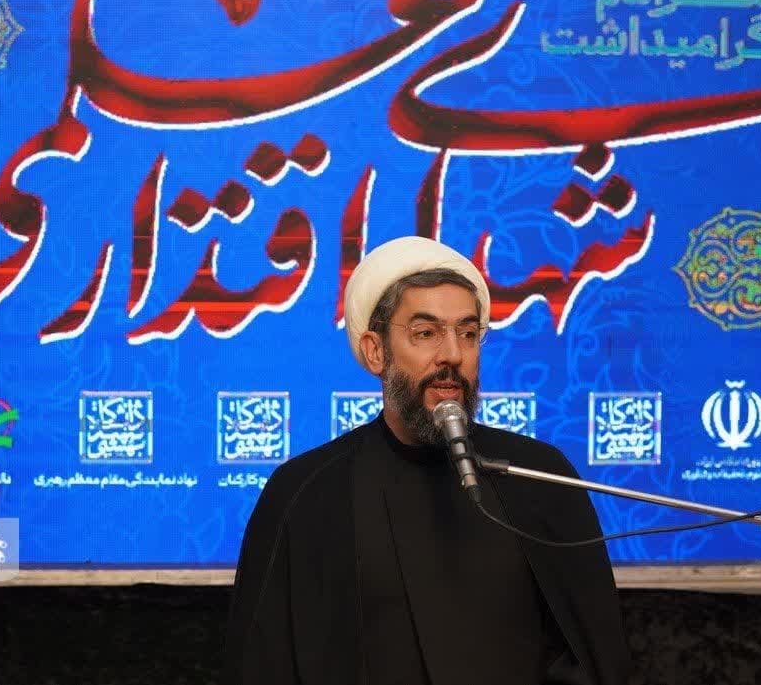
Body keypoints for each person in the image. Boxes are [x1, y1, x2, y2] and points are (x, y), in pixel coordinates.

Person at [224, 236, 629, 685]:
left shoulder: (539, 476)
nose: (452, 355)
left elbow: (590, 657)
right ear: (376, 351)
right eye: (426, 333)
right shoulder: (306, 491)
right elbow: (262, 663)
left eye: (468, 334)